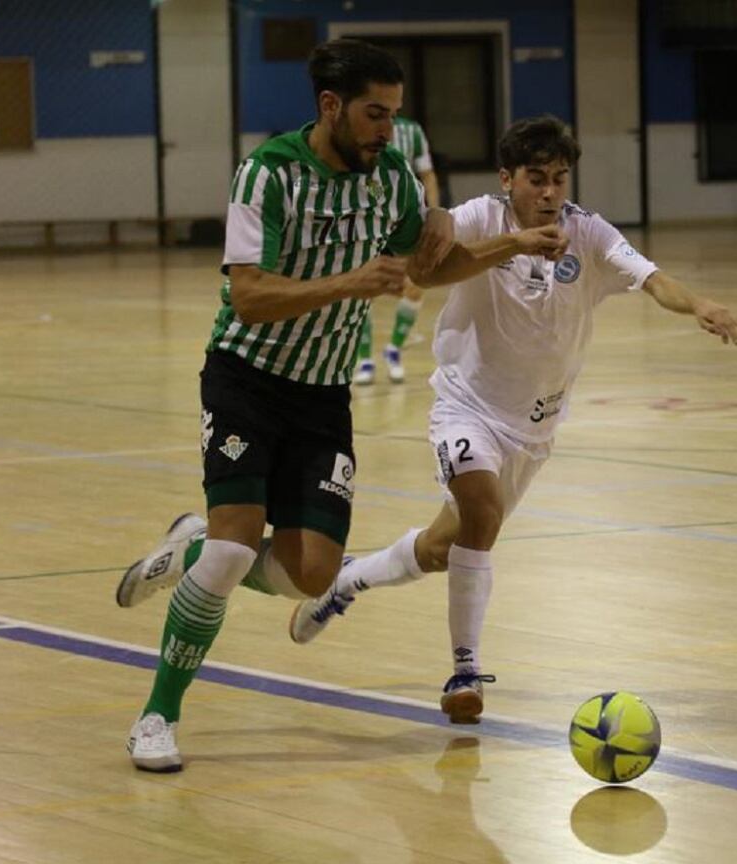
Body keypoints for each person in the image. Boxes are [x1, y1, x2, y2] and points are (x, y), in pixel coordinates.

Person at [118, 42, 570, 772]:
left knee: (314, 574)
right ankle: (156, 716)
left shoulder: (390, 177)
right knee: (239, 547)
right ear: (331, 106)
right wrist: (348, 282)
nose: (388, 131)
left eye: (394, 115)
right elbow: (248, 294)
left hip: (322, 393)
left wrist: (506, 244)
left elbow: (428, 267)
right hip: (247, 376)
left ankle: (191, 549)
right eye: (374, 114)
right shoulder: (266, 174)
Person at [287, 115, 737, 724]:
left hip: (533, 429)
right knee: (481, 513)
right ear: (508, 179)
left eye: (559, 178)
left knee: (439, 548)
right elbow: (431, 259)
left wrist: (699, 305)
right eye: (537, 179)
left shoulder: (589, 233)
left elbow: (652, 279)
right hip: (465, 405)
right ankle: (464, 670)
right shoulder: (483, 217)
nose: (550, 192)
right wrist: (480, 234)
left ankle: (349, 582)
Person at [354, 115, 441, 384]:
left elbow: (427, 175)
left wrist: (433, 214)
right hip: (367, 222)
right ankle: (364, 359)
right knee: (361, 290)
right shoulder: (356, 127)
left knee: (414, 285)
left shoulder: (412, 130)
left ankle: (394, 350)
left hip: (402, 219)